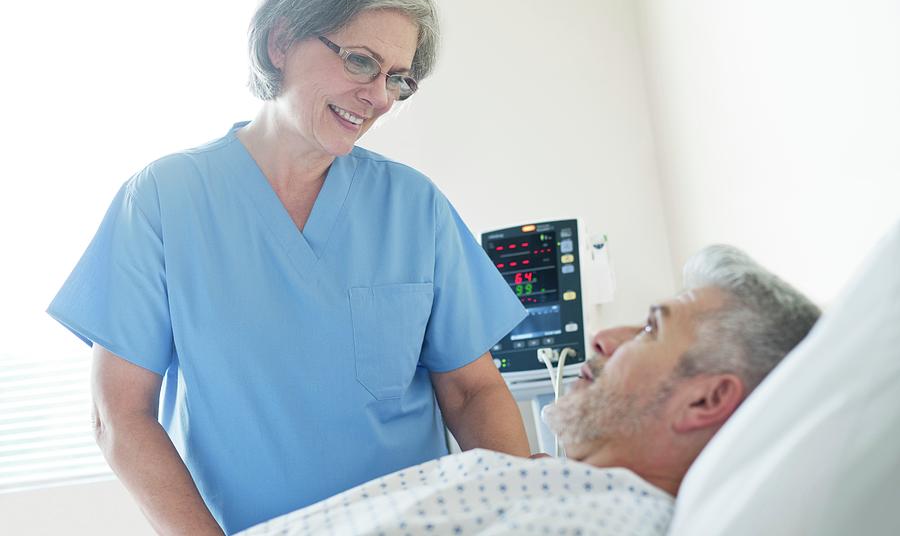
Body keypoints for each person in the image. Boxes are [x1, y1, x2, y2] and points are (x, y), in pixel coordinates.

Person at [46, 0, 530, 534]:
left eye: (397, 78)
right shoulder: (163, 203)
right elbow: (118, 414)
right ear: (281, 42)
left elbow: (472, 393)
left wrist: (531, 515)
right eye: (359, 61)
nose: (379, 97)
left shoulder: (413, 206)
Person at [236, 244, 821, 536]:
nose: (605, 337)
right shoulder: (559, 488)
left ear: (705, 400)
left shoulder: (611, 519)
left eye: (650, 327)